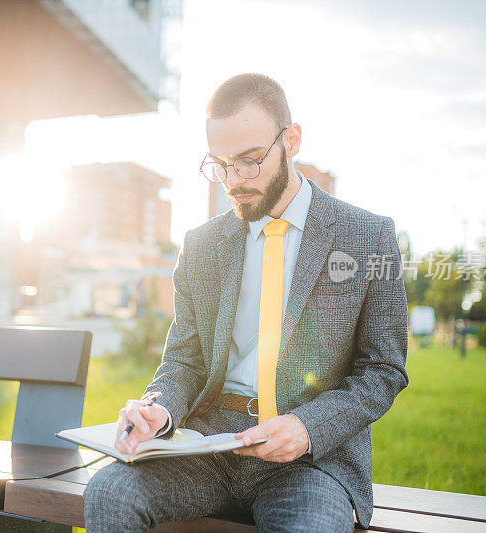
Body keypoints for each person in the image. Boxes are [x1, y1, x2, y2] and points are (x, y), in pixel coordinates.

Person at [82, 73, 409, 532]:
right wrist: (160, 408)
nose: (234, 181)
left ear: (291, 141)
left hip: (309, 462)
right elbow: (184, 360)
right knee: (109, 493)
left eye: (250, 162)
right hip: (208, 447)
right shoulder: (202, 245)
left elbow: (384, 369)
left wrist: (307, 428)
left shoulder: (369, 236)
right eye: (220, 164)